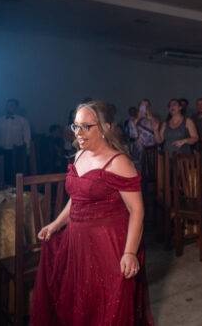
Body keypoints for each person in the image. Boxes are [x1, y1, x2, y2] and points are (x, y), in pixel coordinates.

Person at [30, 100, 154, 325]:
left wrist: (130, 252)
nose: (78, 133)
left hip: (107, 245)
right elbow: (77, 199)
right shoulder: (79, 155)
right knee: (78, 304)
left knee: (106, 309)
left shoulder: (119, 162)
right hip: (77, 243)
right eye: (76, 126)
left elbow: (137, 211)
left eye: (86, 127)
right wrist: (56, 224)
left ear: (105, 127)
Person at [0, 98, 31, 186]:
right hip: (1, 151)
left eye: (11, 106)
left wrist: (28, 152)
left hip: (16, 152)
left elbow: (27, 137)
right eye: (8, 106)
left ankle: (13, 189)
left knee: (14, 173)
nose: (9, 107)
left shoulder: (23, 121)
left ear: (16, 108)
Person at [133, 99, 159, 166]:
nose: (144, 108)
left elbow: (157, 137)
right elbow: (132, 134)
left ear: (149, 107)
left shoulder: (154, 119)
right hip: (137, 150)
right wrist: (138, 118)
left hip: (150, 150)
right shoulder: (134, 120)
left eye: (146, 106)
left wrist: (150, 117)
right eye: (142, 106)